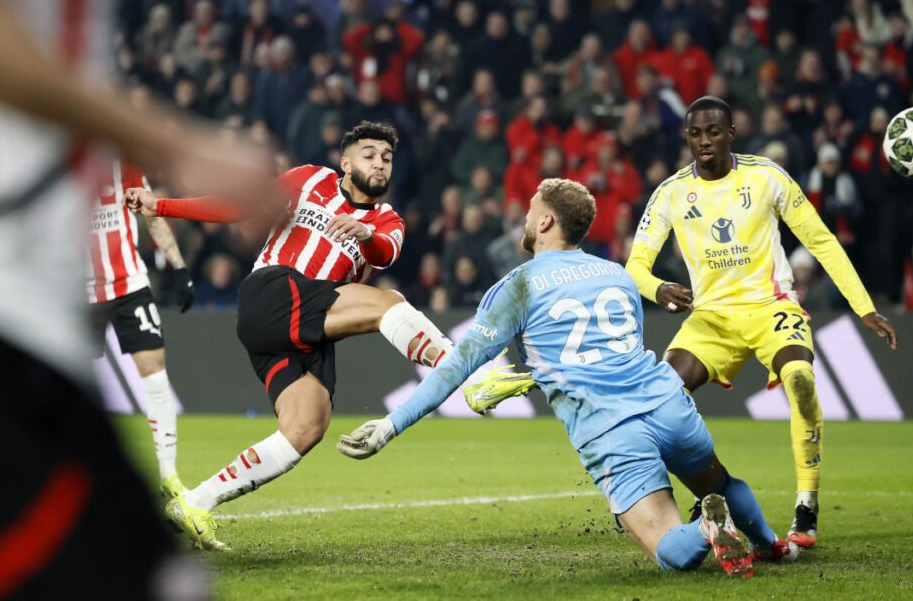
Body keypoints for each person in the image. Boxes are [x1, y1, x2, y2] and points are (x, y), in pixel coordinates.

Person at [472, 97, 898, 550]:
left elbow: (820, 240)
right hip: (711, 318)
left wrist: (863, 306)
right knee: (661, 396)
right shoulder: (673, 192)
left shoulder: (767, 176)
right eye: (696, 134)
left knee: (800, 379)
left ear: (731, 133)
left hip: (771, 307)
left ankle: (806, 505)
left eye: (714, 132)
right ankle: (691, 502)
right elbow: (635, 266)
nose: (704, 141)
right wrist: (656, 289)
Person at [0, 0, 269, 596]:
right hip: (5, 301)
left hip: (40, 314)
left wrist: (173, 261)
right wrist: (177, 142)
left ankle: (170, 476)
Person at [337, 178, 798, 578]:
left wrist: (390, 424)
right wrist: (544, 374)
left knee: (669, 553)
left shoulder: (518, 285)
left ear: (544, 224)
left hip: (611, 428)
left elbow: (457, 365)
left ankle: (706, 526)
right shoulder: (616, 275)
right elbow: (621, 351)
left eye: (530, 212)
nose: (524, 219)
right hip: (668, 402)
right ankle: (770, 543)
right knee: (719, 482)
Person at [127, 121, 455, 551]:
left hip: (307, 329)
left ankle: (193, 503)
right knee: (386, 302)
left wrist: (366, 233)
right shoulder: (309, 179)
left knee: (306, 426)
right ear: (346, 161)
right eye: (369, 154)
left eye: (387, 158)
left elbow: (384, 251)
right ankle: (461, 363)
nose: (379, 163)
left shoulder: (387, 220)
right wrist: (161, 207)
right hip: (272, 294)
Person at [89, 160, 195, 499]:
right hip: (77, 292)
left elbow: (150, 212)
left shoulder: (123, 164)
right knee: (68, 388)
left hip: (129, 286)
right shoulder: (55, 161)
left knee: (155, 375)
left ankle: (168, 475)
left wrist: (178, 266)